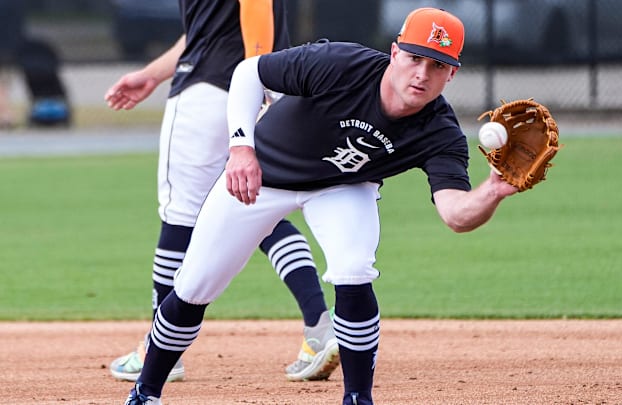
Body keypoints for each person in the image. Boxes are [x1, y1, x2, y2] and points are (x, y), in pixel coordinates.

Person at [122, 7, 519, 405]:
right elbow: (249, 73)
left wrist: (494, 190)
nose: (422, 74)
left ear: (452, 74)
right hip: (263, 175)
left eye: (437, 65)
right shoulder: (342, 64)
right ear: (395, 53)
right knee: (193, 285)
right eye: (415, 58)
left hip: (341, 187)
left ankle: (358, 399)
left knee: (353, 268)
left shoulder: (440, 132)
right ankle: (147, 393)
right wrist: (241, 146)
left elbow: (454, 214)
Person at [105, 0, 338, 385]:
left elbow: (255, 7)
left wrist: (259, 81)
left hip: (209, 92)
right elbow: (204, 32)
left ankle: (158, 347)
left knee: (179, 214)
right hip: (244, 86)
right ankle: (319, 327)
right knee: (260, 209)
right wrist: (152, 74)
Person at [0, 2, 71, 127]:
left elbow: (14, 28)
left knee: (4, 80)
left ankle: (5, 117)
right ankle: (5, 116)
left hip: (8, 48)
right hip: (9, 47)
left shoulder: (9, 7)